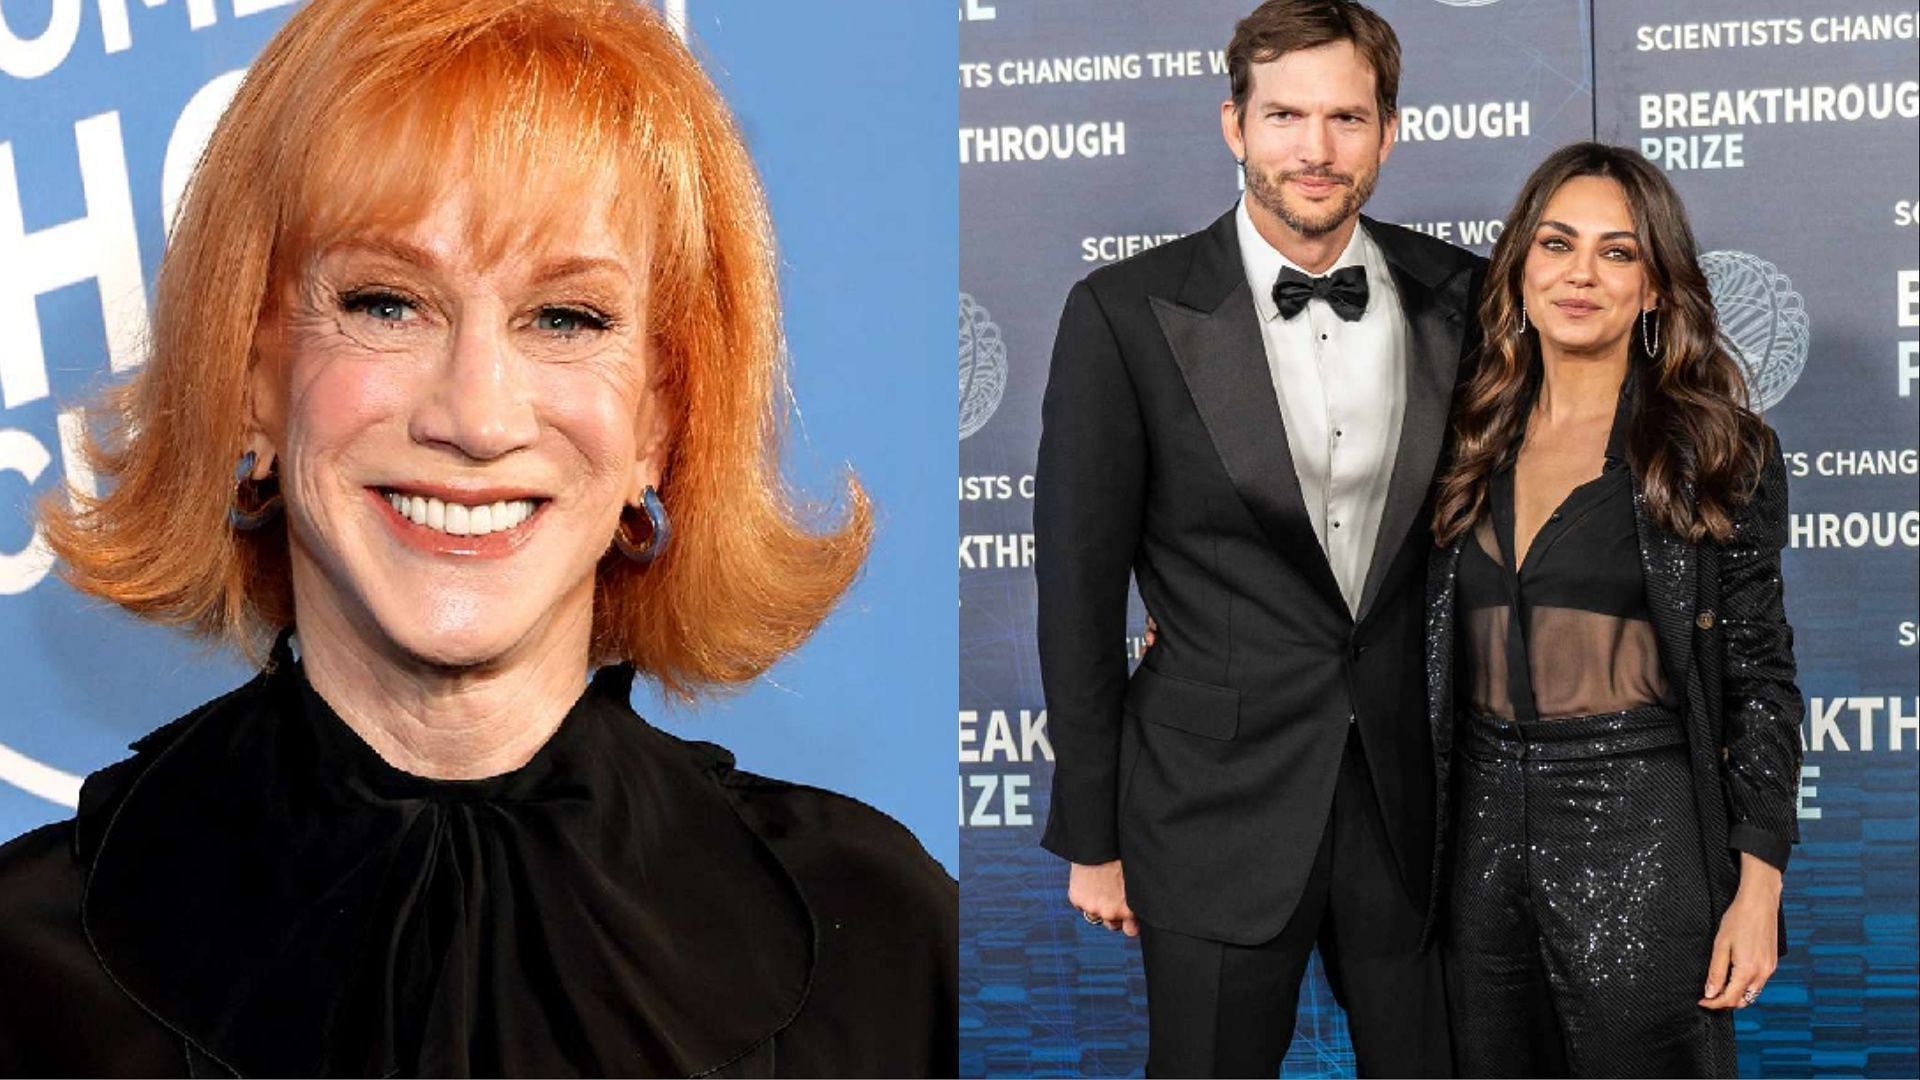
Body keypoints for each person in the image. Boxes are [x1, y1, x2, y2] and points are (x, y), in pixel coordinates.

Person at [0, 0, 956, 1075]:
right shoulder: (20, 980)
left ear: (661, 417)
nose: (477, 415)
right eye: (386, 303)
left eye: (566, 319)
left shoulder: (887, 950)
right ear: (252, 376)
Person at [1033, 0, 1484, 1073]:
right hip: (1207, 805)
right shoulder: (1125, 312)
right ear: (1234, 125)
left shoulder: (1463, 299)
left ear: (1389, 132)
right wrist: (1091, 833)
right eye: (1285, 116)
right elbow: (1079, 600)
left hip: (1415, 808)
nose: (1315, 150)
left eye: (1346, 118)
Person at [1426, 142, 1801, 1077]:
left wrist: (1757, 886)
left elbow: (1761, 677)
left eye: (1618, 251)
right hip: (1472, 827)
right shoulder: (1456, 435)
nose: (1580, 273)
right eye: (1556, 244)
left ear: (1657, 289)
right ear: (1517, 270)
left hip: (1640, 817)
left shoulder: (1718, 451)